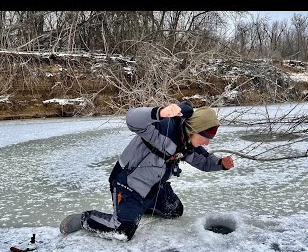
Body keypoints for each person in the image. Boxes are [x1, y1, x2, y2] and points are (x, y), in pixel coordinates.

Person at [59, 101, 234, 241]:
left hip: (155, 187)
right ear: (194, 130)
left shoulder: (187, 143)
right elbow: (132, 119)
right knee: (122, 231)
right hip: (128, 185)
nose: (207, 143)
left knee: (175, 211)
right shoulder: (163, 129)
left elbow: (202, 161)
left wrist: (220, 164)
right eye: (205, 138)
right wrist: (160, 112)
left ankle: (146, 207)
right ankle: (84, 219)